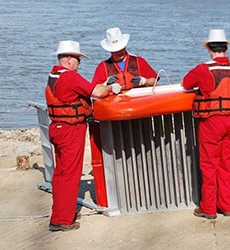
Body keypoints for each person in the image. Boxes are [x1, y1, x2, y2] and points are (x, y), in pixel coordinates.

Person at [45, 40, 120, 232]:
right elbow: (97, 92)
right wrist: (112, 88)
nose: (80, 63)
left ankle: (62, 213)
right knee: (70, 175)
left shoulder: (53, 75)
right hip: (70, 130)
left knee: (61, 174)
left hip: (57, 128)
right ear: (69, 59)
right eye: (78, 59)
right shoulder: (70, 77)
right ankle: (62, 220)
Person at [181, 29, 230, 219]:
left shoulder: (203, 69)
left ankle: (209, 208)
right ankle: (227, 205)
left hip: (211, 122)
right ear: (226, 48)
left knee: (209, 165)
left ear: (209, 49)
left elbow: (186, 84)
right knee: (226, 163)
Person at [92, 27, 158, 88]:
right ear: (110, 50)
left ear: (124, 46)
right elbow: (95, 90)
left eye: (120, 49)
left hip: (138, 98)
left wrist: (144, 81)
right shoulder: (103, 67)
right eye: (115, 50)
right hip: (114, 99)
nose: (118, 52)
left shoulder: (139, 61)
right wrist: (106, 84)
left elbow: (155, 82)